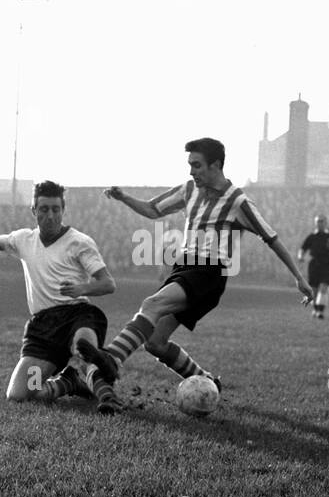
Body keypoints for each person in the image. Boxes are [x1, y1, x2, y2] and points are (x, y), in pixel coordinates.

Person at [79, 137, 314, 390]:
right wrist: (124, 197)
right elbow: (152, 209)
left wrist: (299, 278)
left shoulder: (236, 200)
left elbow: (271, 238)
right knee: (155, 342)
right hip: (184, 268)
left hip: (208, 273)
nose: (191, 171)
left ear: (216, 165)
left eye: (197, 165)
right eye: (190, 165)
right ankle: (207, 381)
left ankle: (112, 358)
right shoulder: (188, 190)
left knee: (152, 304)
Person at [0, 181, 121, 413]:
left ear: (63, 210)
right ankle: (68, 382)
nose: (50, 215)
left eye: (55, 209)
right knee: (20, 394)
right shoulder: (23, 240)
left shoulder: (79, 242)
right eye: (44, 209)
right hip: (43, 330)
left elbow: (108, 283)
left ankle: (108, 397)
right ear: (34, 211)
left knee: (83, 346)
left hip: (77, 315)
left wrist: (82, 289)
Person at [298, 215, 329, 319]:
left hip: (327, 264)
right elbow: (303, 248)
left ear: (325, 223)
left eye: (322, 221)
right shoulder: (311, 236)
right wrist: (300, 256)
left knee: (324, 287)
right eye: (318, 221)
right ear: (315, 223)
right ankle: (315, 309)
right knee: (313, 289)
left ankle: (320, 311)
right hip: (314, 264)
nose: (320, 223)